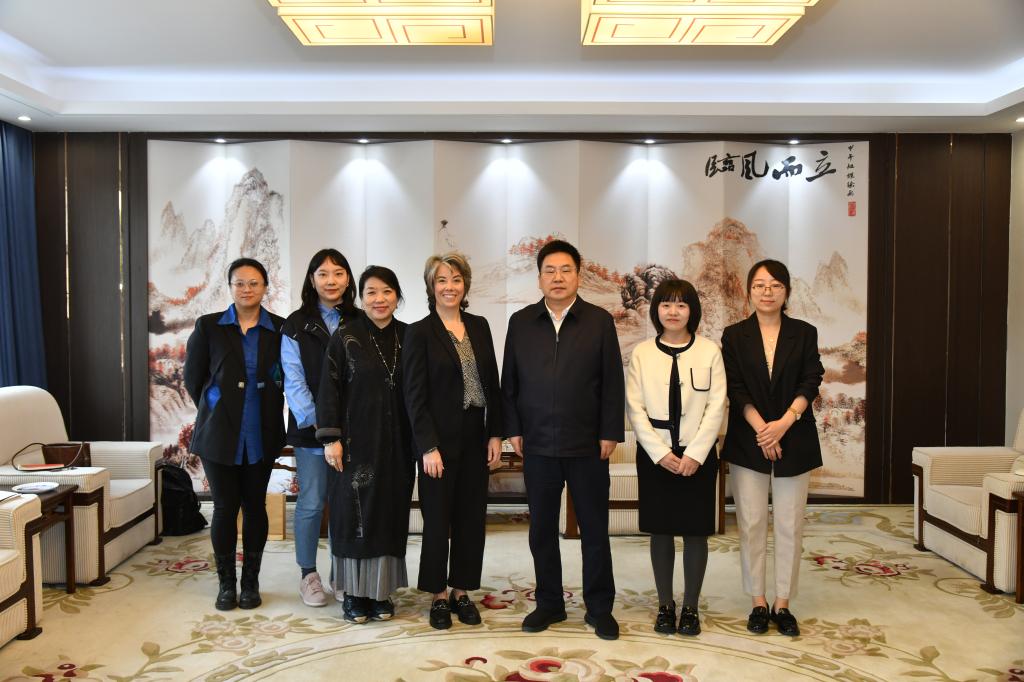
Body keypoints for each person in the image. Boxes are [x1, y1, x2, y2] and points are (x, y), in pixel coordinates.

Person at [501, 239, 625, 641]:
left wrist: (610, 431)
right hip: (537, 444)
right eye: (549, 271)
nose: (558, 277)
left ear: (578, 276)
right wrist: (513, 429)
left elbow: (612, 381)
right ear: (539, 278)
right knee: (541, 530)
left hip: (588, 444)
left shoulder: (598, 321)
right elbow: (509, 383)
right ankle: (549, 603)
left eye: (565, 270)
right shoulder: (521, 322)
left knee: (594, 529)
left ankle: (600, 608)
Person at [720, 259, 824, 637]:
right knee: (751, 523)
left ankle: (783, 603)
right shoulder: (734, 335)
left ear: (786, 292)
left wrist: (783, 423)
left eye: (775, 285)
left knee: (789, 524)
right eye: (760, 285)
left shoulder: (804, 332)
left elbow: (812, 379)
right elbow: (735, 388)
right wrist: (763, 430)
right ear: (749, 291)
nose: (767, 292)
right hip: (749, 439)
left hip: (794, 436)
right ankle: (758, 601)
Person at [403, 253, 503, 630]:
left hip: (476, 433)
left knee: (471, 519)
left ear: (466, 285)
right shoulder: (419, 332)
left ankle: (461, 590)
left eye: (456, 279)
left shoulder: (479, 326)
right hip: (438, 442)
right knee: (437, 520)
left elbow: (492, 384)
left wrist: (496, 433)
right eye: (442, 280)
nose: (450, 286)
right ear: (431, 286)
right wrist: (427, 446)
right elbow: (414, 396)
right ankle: (438, 595)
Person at [183, 257, 285, 611]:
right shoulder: (209, 326)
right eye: (239, 283)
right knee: (225, 508)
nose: (246, 289)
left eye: (254, 283)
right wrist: (215, 406)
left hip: (262, 431)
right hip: (219, 433)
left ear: (265, 287)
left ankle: (250, 583)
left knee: (255, 505)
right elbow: (193, 379)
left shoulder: (279, 328)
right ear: (230, 287)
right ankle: (226, 584)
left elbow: (285, 376)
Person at [625, 279, 726, 636]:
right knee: (661, 531)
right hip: (657, 456)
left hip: (698, 456)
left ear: (692, 311)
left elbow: (717, 406)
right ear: (656, 310)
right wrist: (660, 453)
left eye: (681, 305)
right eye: (666, 304)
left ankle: (691, 608)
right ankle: (665, 605)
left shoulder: (709, 351)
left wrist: (696, 453)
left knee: (696, 532)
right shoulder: (642, 353)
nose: (673, 311)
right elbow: (635, 408)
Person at [316, 266, 415, 624]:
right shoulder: (345, 336)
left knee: (389, 514)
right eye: (371, 292)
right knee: (353, 516)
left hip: (397, 446)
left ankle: (381, 593)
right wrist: (331, 438)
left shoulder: (410, 336)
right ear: (361, 297)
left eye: (387, 291)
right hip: (353, 445)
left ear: (398, 297)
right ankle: (354, 595)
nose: (379, 299)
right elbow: (328, 389)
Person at [281, 248, 358, 607]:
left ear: (348, 279)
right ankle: (308, 574)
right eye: (323, 274)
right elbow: (294, 382)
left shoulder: (360, 319)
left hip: (355, 431)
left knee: (348, 504)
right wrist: (325, 427)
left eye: (338, 273)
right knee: (312, 502)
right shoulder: (295, 324)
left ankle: (342, 572)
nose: (331, 281)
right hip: (312, 433)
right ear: (312, 280)